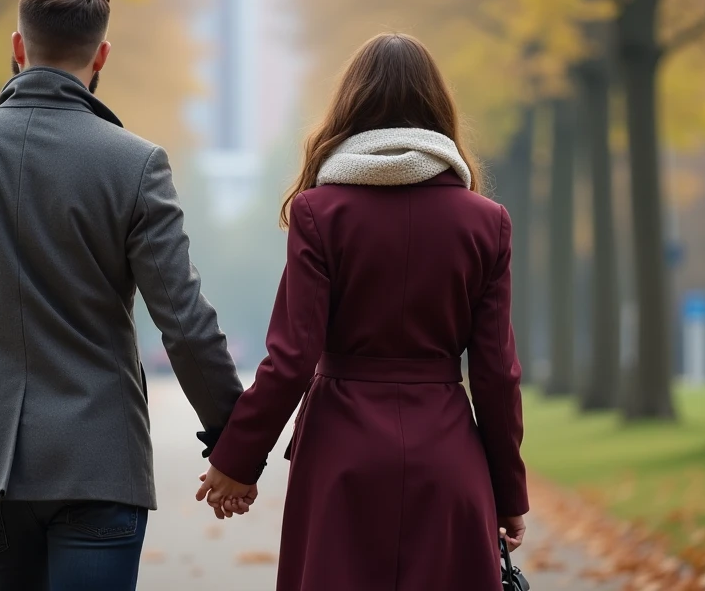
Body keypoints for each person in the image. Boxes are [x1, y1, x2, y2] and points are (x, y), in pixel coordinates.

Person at [0, 0, 251, 591]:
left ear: (17, 48)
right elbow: (183, 322)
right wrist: (236, 440)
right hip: (100, 461)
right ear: (101, 55)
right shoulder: (136, 164)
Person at [196, 32, 529, 590]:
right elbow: (496, 374)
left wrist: (237, 461)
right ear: (437, 111)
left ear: (349, 110)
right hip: (447, 453)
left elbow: (292, 358)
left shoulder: (318, 213)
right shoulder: (486, 222)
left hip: (340, 456)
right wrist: (508, 492)